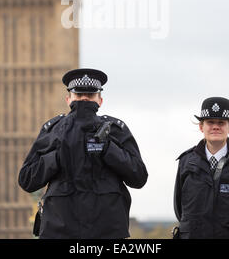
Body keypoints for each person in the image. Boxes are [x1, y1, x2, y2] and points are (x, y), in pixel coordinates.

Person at [18, 68, 148, 239]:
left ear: (100, 100)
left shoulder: (115, 131)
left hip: (105, 231)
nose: (84, 99)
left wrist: (108, 149)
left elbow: (138, 177)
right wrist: (57, 157)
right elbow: (27, 179)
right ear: (68, 99)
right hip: (61, 230)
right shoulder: (53, 131)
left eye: (90, 95)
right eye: (79, 95)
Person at [173, 97, 229, 239]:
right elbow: (181, 211)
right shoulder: (186, 162)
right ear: (201, 126)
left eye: (221, 123)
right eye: (210, 122)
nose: (216, 127)